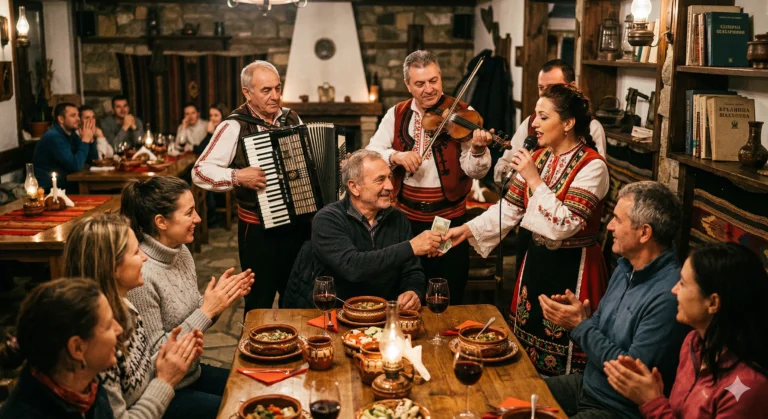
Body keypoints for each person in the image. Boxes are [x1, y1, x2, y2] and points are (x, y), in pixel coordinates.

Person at [443, 84, 609, 376]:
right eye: (535, 116)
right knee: (525, 357)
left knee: (565, 357)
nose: (533, 123)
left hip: (575, 270)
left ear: (568, 123)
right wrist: (465, 230)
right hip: (535, 265)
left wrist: (534, 179)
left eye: (543, 117)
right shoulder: (542, 157)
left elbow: (565, 225)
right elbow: (509, 208)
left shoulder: (593, 167)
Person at [538, 181, 690, 418]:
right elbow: (599, 329)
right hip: (588, 386)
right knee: (515, 399)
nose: (609, 226)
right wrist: (580, 318)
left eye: (618, 220)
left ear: (644, 233)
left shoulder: (668, 296)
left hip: (618, 409)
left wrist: (580, 326)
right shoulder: (626, 267)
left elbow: (628, 371)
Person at [366, 50, 493, 305]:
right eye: (420, 83)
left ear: (441, 78)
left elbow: (476, 171)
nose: (428, 89)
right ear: (408, 85)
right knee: (405, 291)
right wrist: (396, 157)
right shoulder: (396, 113)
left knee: (445, 291)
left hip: (446, 221)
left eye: (433, 81)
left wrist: (478, 150)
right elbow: (372, 151)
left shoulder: (464, 114)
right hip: (404, 221)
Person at [121, 176, 254, 418]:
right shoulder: (141, 276)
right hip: (163, 391)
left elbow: (195, 322)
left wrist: (217, 303)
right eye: (189, 212)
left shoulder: (180, 252)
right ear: (161, 222)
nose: (199, 219)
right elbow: (155, 361)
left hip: (192, 374)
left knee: (256, 389)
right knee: (245, 411)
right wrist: (207, 310)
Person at [192, 60, 307, 312]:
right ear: (247, 92)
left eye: (278, 88)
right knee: (258, 302)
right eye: (266, 90)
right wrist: (237, 176)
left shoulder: (292, 118)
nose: (275, 96)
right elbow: (199, 171)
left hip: (297, 228)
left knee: (297, 298)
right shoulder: (233, 125)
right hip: (258, 232)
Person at [604, 242, 768, 418]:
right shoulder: (693, 342)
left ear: (712, 303)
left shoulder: (746, 387)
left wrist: (652, 402)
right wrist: (657, 395)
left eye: (682, 283)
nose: (674, 290)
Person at [64, 214, 204, 419]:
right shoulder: (96, 343)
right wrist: (165, 381)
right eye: (136, 251)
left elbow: (141, 374)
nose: (145, 257)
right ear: (112, 267)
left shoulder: (126, 306)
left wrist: (169, 357)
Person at [493, 59, 608, 283]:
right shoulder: (535, 140)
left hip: (572, 255)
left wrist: (534, 180)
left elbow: (571, 216)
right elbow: (505, 187)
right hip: (533, 239)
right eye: (541, 89)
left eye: (553, 88)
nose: (536, 122)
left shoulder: (591, 147)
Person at [285, 149, 436, 309]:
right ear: (354, 187)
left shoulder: (398, 218)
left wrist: (413, 291)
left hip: (382, 314)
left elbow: (412, 271)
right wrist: (411, 247)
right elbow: (352, 267)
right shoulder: (327, 219)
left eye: (389, 177)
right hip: (333, 312)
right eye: (380, 180)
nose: (390, 186)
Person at [0, 278, 119, 419]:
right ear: (77, 348)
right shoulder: (26, 412)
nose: (119, 329)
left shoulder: (88, 389)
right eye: (108, 326)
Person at [32, 102, 98, 192]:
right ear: (61, 119)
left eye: (78, 115)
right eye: (73, 116)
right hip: (50, 189)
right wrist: (85, 140)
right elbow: (75, 165)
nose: (78, 119)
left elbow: (93, 160)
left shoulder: (71, 135)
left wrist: (91, 140)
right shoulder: (54, 137)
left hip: (66, 184)